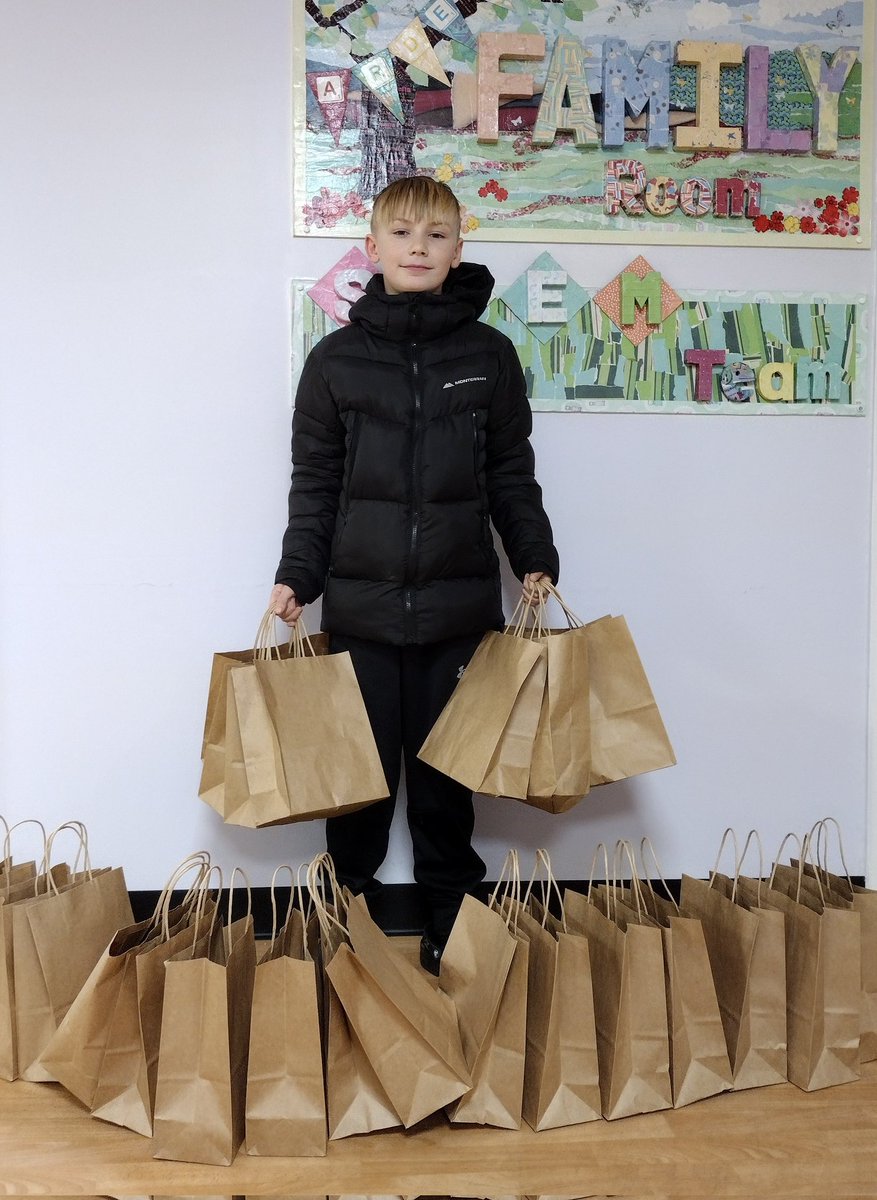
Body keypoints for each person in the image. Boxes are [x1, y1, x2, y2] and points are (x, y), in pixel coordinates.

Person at [271, 175, 558, 973]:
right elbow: (315, 485)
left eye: (435, 236)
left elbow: (510, 473)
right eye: (402, 234)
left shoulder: (489, 356)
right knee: (355, 787)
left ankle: (450, 935)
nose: (418, 248)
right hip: (359, 615)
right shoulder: (334, 361)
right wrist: (297, 576)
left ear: (457, 250)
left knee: (443, 790)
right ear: (372, 249)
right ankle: (344, 936)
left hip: (457, 614)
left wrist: (533, 558)